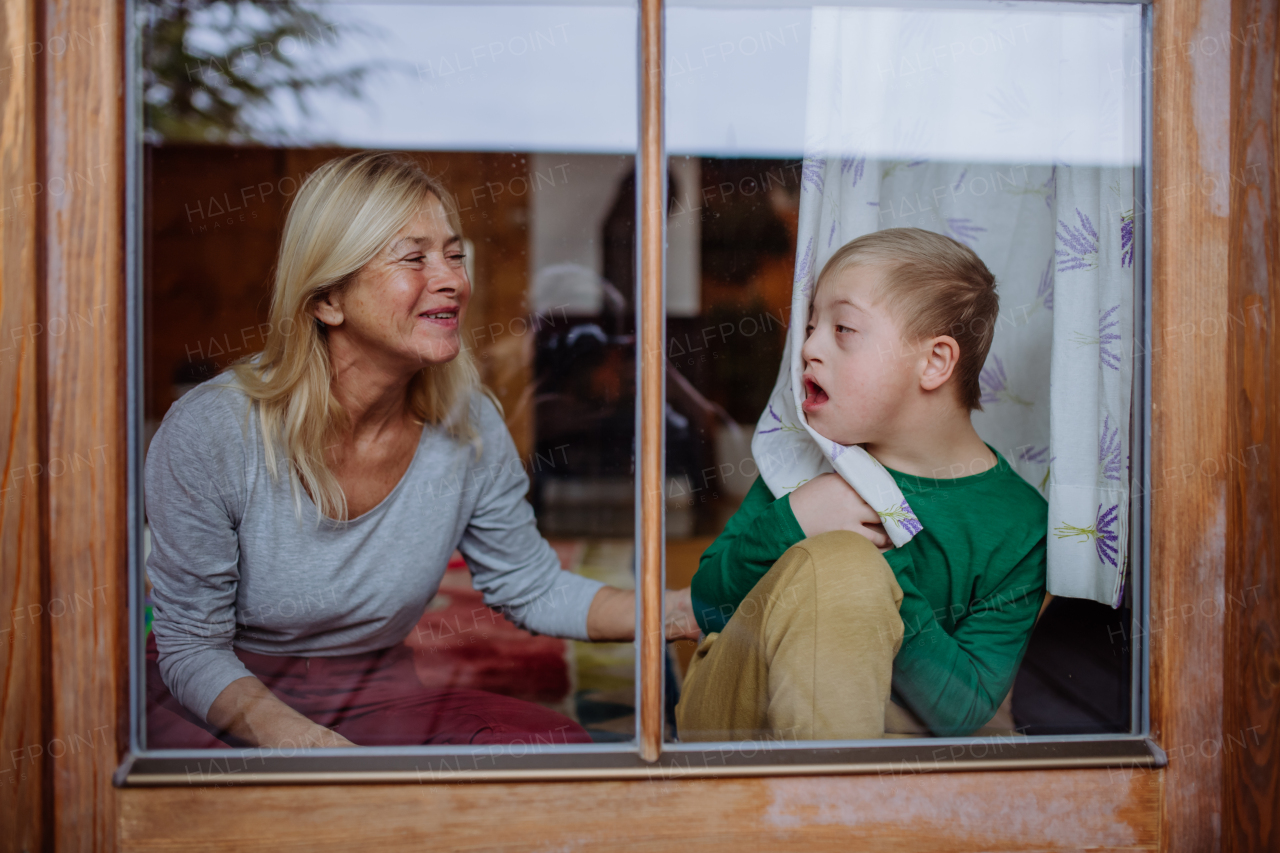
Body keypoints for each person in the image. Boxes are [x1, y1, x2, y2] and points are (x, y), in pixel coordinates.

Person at [145, 151, 698, 750]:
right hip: (221, 694)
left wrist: (677, 611)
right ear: (327, 300)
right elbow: (191, 648)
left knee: (548, 749)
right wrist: (303, 746)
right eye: (415, 259)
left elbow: (532, 586)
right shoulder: (212, 430)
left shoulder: (468, 423)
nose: (453, 280)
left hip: (374, 692)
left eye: (455, 256)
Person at [676, 228, 1047, 741]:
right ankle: (833, 808)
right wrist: (795, 520)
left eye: (843, 328)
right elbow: (708, 605)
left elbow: (962, 712)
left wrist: (885, 567)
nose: (808, 347)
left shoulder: (1020, 524)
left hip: (887, 738)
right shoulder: (812, 462)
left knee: (854, 567)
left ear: (934, 362)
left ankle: (834, 800)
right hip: (740, 713)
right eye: (810, 327)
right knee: (842, 565)